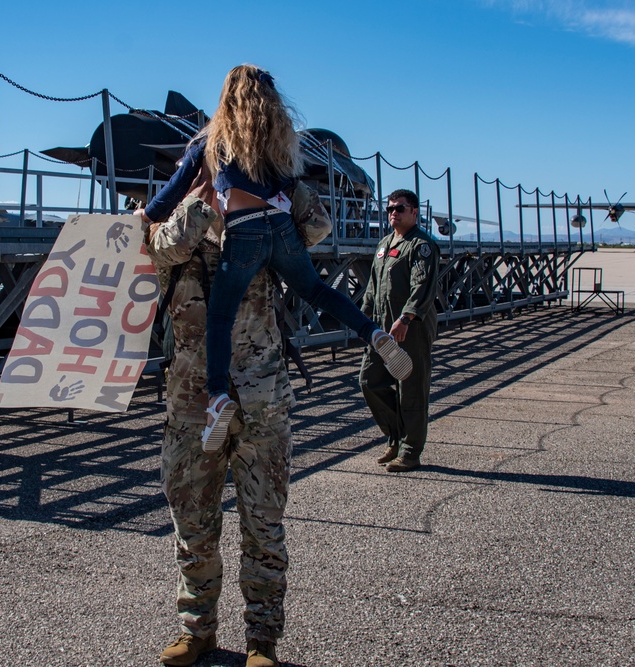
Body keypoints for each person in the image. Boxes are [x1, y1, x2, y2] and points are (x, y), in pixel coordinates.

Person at [137, 63, 405, 452]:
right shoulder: (275, 141)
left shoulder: (212, 142)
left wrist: (141, 217)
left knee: (220, 315)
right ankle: (374, 334)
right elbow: (294, 192)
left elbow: (166, 199)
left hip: (243, 233)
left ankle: (216, 399)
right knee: (315, 289)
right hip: (281, 228)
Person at [143, 175, 293, 667]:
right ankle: (197, 630)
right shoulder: (180, 215)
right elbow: (161, 248)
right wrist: (205, 188)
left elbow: (314, 229)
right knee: (192, 522)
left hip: (259, 398)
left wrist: (275, 172)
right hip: (191, 400)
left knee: (263, 523)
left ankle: (262, 640)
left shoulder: (268, 216)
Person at [359, 188, 440, 472]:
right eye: (390, 209)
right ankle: (395, 435)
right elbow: (372, 285)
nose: (394, 213)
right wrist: (362, 318)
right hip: (381, 327)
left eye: (400, 208)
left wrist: (406, 318)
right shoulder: (383, 244)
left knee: (411, 389)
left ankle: (410, 451)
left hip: (409, 327)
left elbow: (423, 286)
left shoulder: (422, 245)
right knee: (369, 381)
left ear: (414, 212)